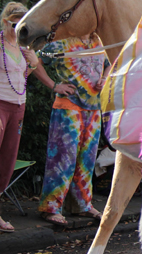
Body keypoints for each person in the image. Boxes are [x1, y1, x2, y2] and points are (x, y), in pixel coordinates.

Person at [0, 2, 62, 237]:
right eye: (13, 24)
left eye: (21, 24)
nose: (17, 28)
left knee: (7, 159)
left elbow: (21, 75)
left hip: (18, 106)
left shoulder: (23, 47)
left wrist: (33, 63)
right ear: (5, 22)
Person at [35, 33, 110, 225]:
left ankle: (82, 205)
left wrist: (104, 78)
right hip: (68, 106)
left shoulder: (99, 41)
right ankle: (50, 207)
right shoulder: (60, 42)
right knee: (63, 158)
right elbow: (34, 62)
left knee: (87, 159)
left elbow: (110, 63)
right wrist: (54, 85)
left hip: (93, 107)